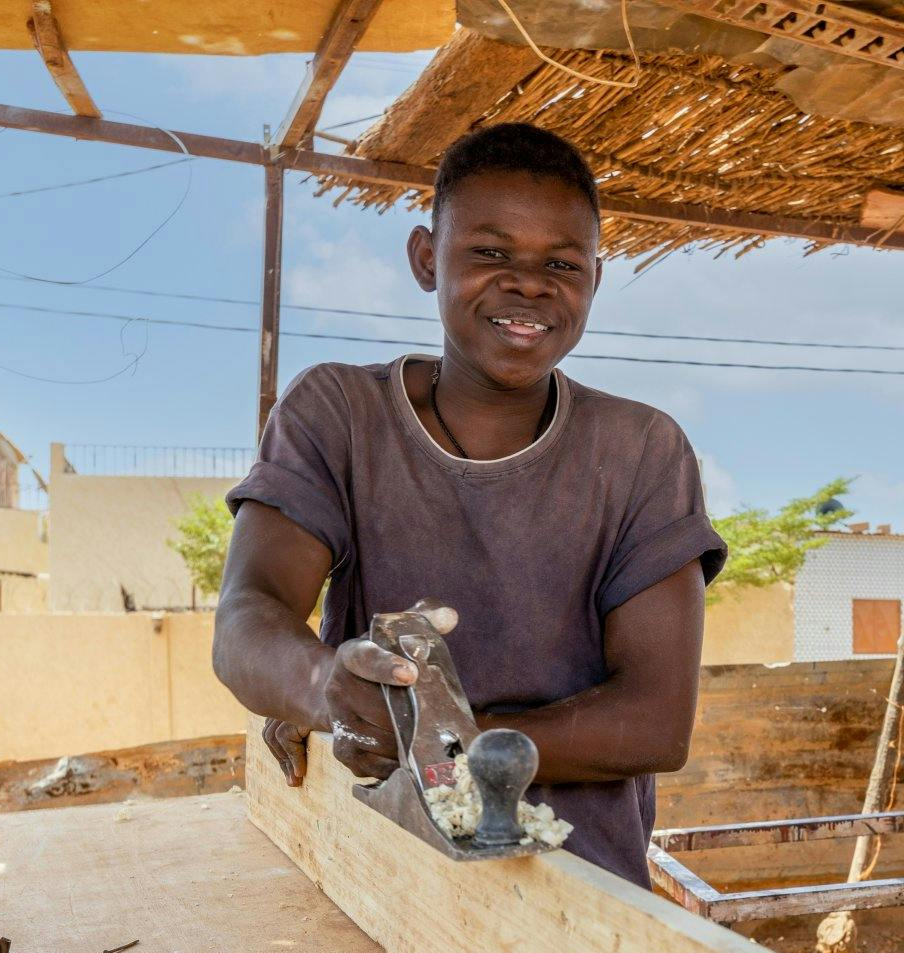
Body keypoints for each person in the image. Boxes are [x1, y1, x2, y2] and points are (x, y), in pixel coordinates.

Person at [213, 123, 726, 889]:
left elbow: (654, 722)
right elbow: (248, 619)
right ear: (427, 258)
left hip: (577, 887)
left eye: (562, 263)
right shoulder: (340, 414)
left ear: (593, 278)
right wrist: (320, 688)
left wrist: (439, 741)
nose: (528, 284)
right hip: (382, 876)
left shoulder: (641, 452)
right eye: (489, 253)